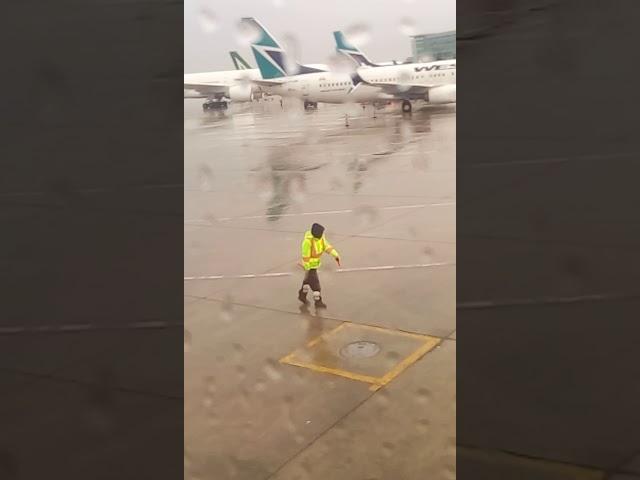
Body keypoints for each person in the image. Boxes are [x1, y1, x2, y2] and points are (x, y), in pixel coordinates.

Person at [298, 223, 340, 308]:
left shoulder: (321, 238)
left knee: (307, 282)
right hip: (309, 267)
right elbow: (305, 257)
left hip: (315, 264)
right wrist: (307, 269)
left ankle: (302, 295)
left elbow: (327, 247)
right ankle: (318, 302)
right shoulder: (307, 242)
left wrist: (335, 255)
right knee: (316, 286)